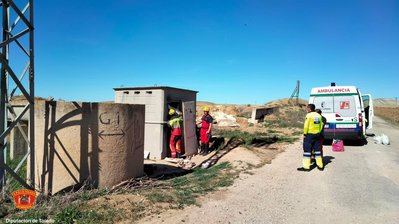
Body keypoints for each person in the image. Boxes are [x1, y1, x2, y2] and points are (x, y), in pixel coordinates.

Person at [298, 104, 324, 171]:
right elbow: (321, 125)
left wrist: (305, 133)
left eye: (307, 108)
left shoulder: (309, 115)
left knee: (307, 151)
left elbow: (306, 125)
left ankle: (306, 167)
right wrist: (318, 132)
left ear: (309, 109)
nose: (307, 110)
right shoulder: (319, 115)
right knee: (318, 151)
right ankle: (320, 166)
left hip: (309, 135)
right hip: (318, 135)